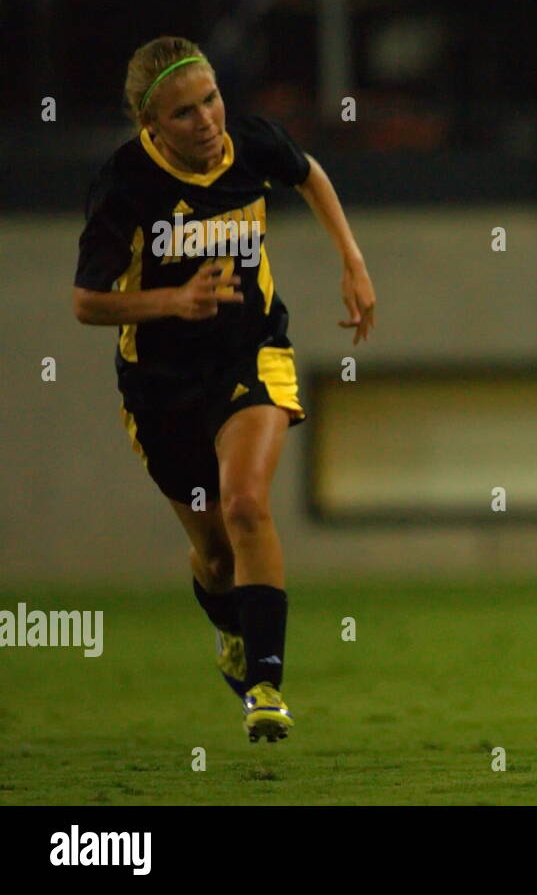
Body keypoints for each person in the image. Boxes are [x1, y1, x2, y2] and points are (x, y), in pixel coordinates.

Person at [74, 36, 377, 742]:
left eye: (210, 99)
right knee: (214, 554)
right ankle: (230, 631)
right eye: (183, 113)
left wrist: (352, 262)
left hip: (252, 351)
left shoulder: (249, 143)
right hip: (159, 386)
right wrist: (171, 302)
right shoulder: (125, 184)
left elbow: (310, 175)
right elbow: (87, 302)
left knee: (245, 505)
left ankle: (265, 685)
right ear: (152, 127)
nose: (206, 121)